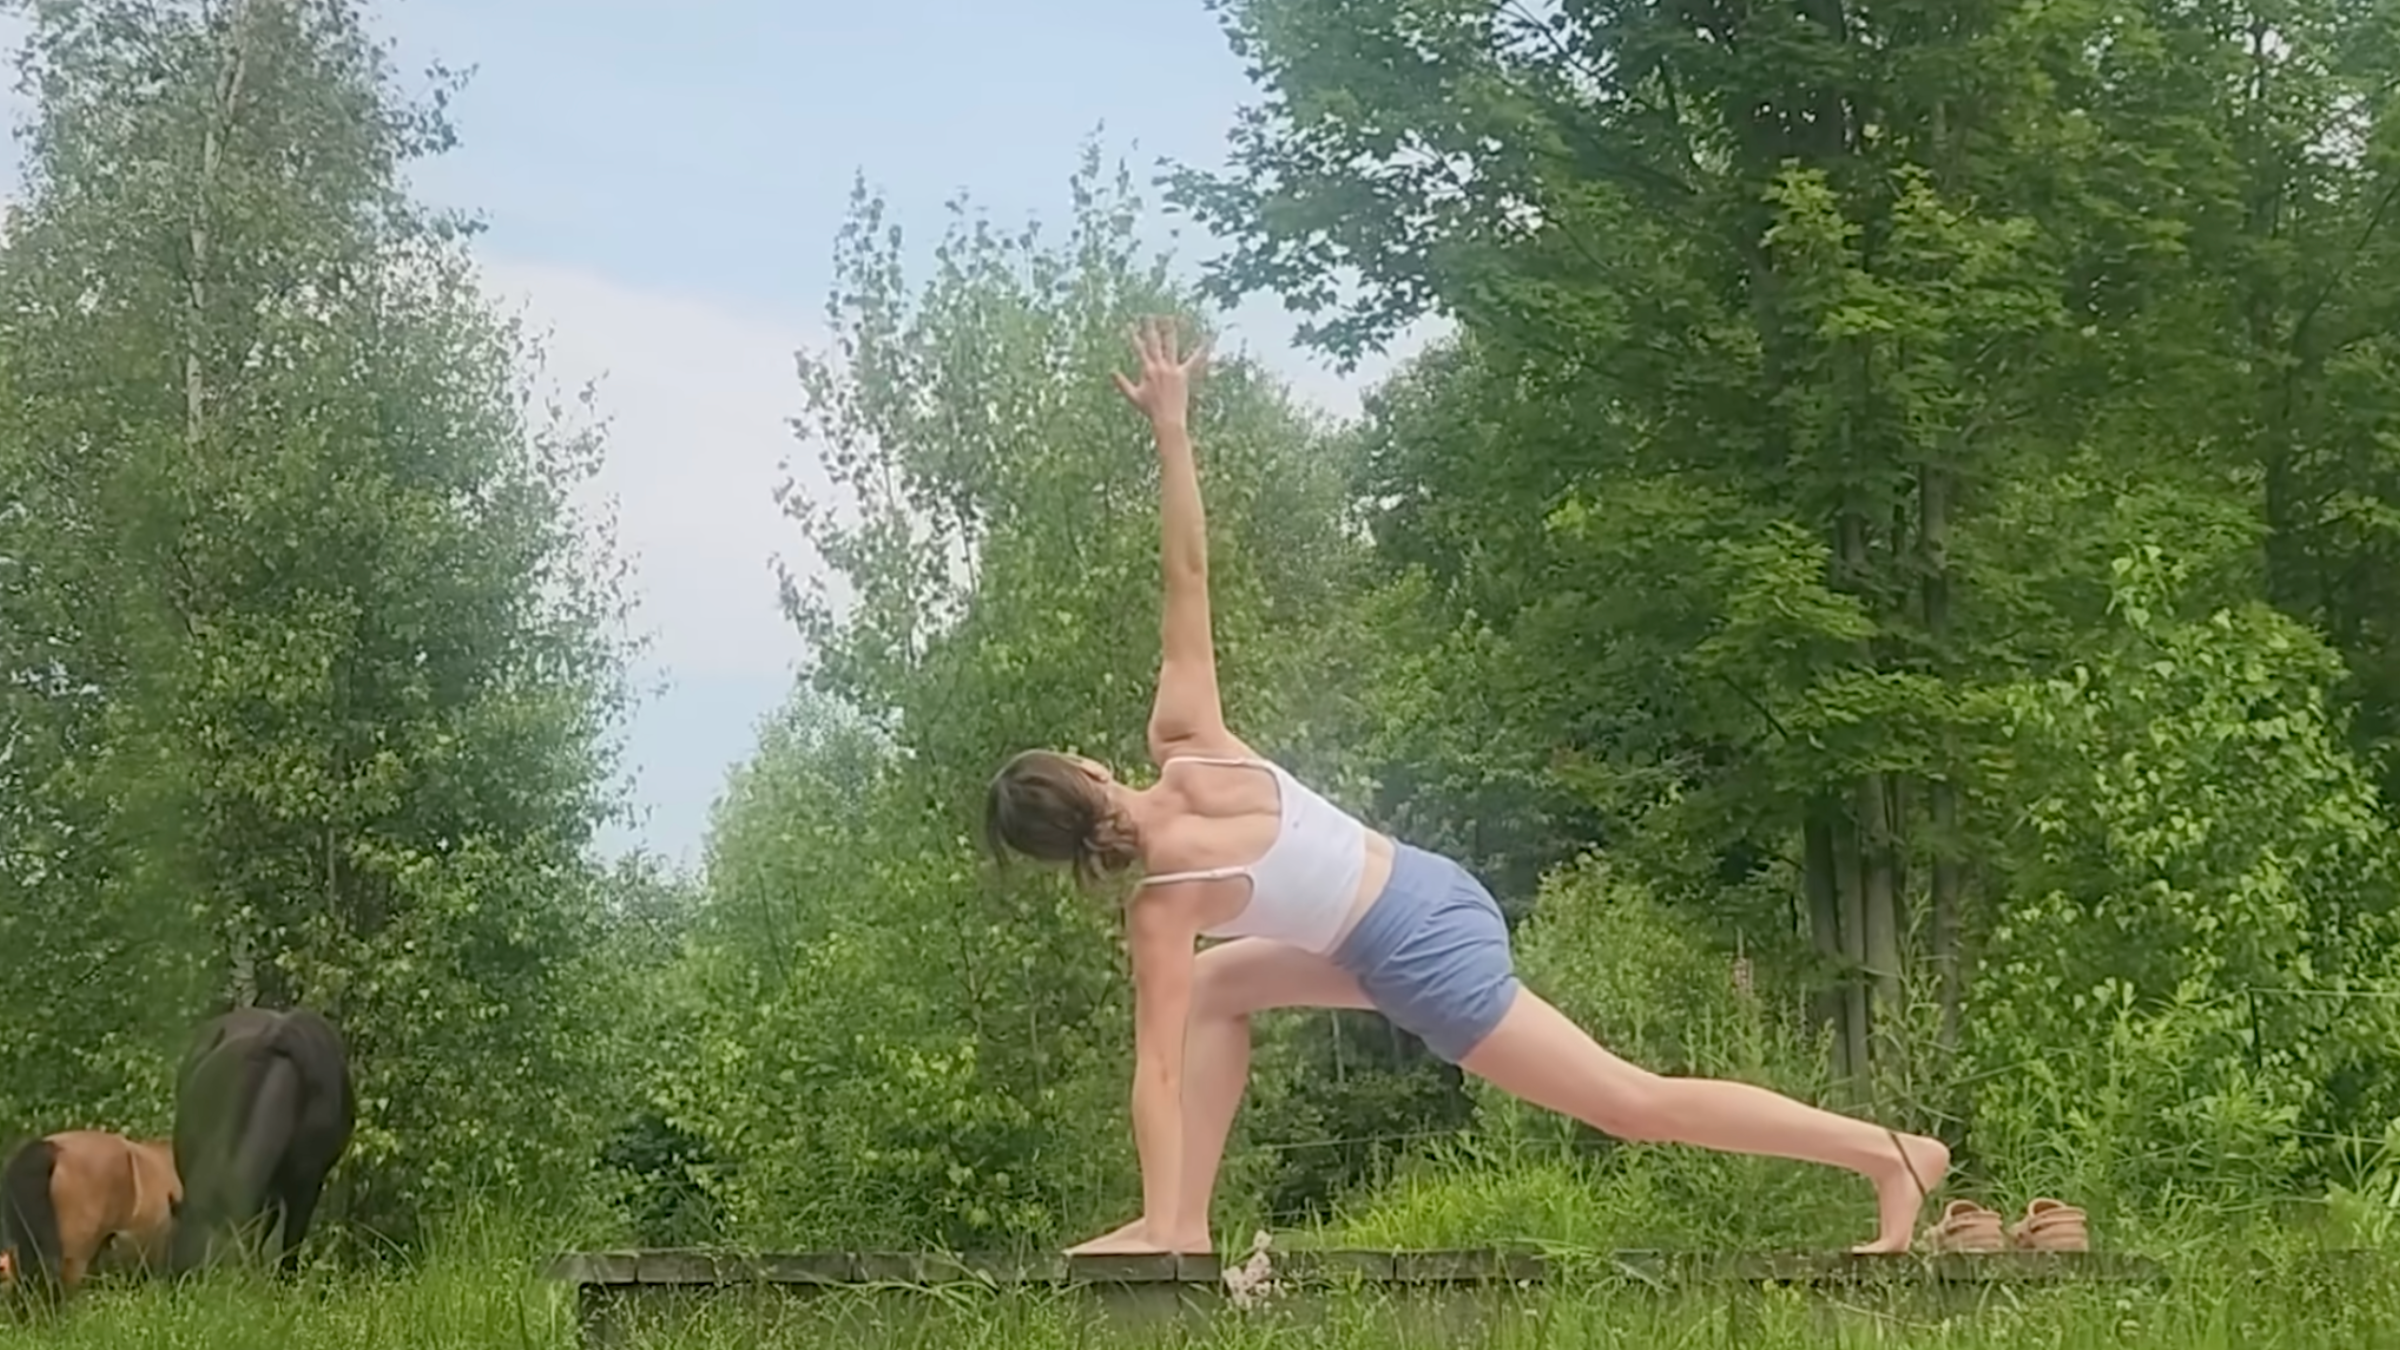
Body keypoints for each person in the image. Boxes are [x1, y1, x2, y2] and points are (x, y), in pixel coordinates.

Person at [981, 315, 1952, 1257]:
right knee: (1216, 988)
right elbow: (1185, 573)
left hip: (1419, 953)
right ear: (1092, 771)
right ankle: (1182, 1226)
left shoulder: (1162, 906)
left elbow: (1152, 1076)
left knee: (1629, 1104)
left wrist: (1139, 1220)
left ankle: (1892, 1157)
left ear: (1063, 852)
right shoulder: (1189, 738)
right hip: (1426, 886)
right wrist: (1172, 426)